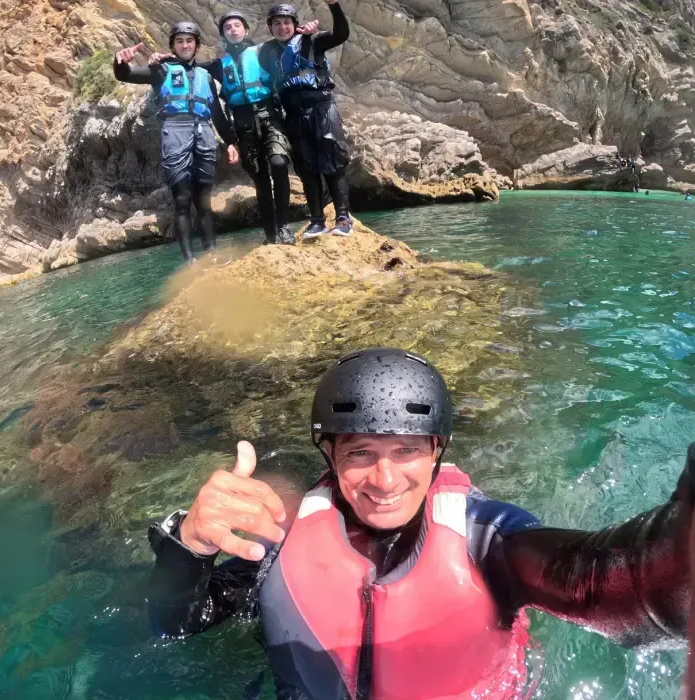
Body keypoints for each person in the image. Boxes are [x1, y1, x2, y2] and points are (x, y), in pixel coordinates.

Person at [147, 347, 691, 699]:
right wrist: (190, 543)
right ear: (329, 456)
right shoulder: (285, 545)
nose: (384, 480)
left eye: (406, 450)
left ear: (436, 452)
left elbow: (627, 583)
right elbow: (172, 628)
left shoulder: (487, 540)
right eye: (360, 452)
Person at [151, 12, 301, 246]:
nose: (233, 30)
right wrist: (165, 60)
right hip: (243, 124)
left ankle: (283, 228)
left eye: (237, 25)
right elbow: (189, 64)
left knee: (280, 164)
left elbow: (289, 42)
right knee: (260, 179)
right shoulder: (219, 65)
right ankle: (271, 235)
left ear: (246, 30)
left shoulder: (265, 51)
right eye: (227, 27)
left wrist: (306, 32)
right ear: (223, 35)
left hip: (269, 116)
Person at [113, 26, 240, 264]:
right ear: (173, 46)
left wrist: (232, 142)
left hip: (204, 134)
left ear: (196, 46)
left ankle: (212, 253)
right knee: (182, 199)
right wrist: (120, 62)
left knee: (204, 200)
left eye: (189, 41)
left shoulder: (206, 78)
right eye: (179, 41)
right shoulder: (161, 70)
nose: (185, 45)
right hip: (175, 133)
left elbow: (218, 115)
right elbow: (125, 75)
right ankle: (190, 261)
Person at [258, 2, 353, 239]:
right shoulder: (266, 53)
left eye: (287, 23)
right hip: (294, 115)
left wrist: (333, 6)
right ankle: (317, 221)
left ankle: (343, 218)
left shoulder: (312, 40)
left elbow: (342, 34)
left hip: (322, 108)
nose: (282, 27)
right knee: (307, 169)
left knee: (332, 163)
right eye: (277, 23)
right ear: (270, 27)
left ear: (295, 25)